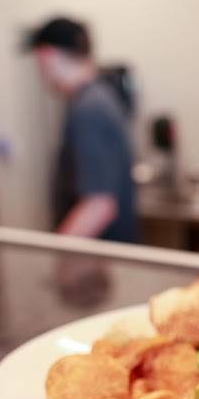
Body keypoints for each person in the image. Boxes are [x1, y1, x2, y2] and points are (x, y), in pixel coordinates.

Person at [27, 17, 137, 243]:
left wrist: (54, 255)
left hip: (103, 257)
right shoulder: (100, 96)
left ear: (47, 56)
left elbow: (99, 206)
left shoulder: (88, 109)